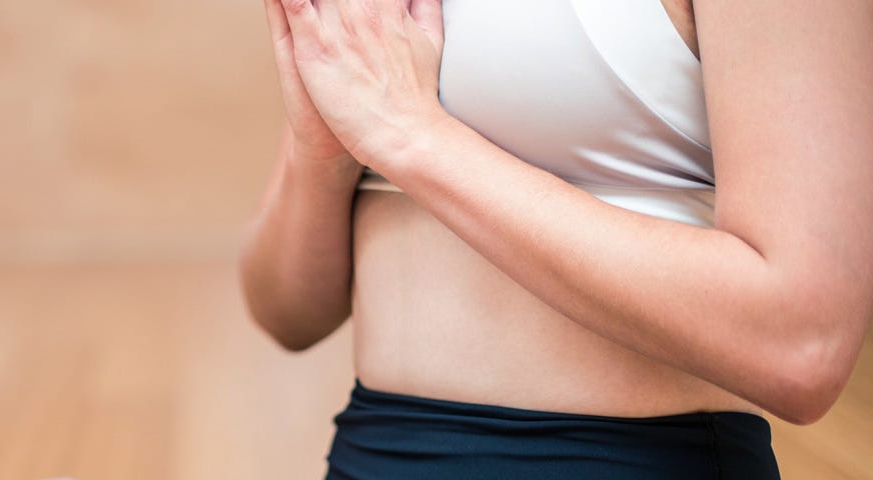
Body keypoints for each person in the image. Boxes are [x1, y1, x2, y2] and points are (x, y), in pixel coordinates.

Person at [237, 0, 873, 477]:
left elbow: (800, 342)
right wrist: (324, 153)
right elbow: (285, 312)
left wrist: (409, 136)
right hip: (367, 455)